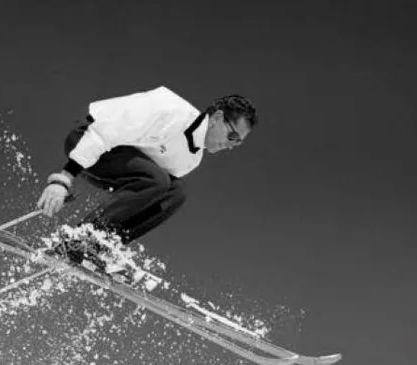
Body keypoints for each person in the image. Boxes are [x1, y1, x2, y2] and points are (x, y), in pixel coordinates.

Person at [36, 86, 257, 246]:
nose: (231, 145)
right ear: (217, 117)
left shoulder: (191, 159)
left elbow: (143, 191)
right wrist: (64, 179)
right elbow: (109, 129)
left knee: (176, 192)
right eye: (233, 136)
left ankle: (105, 243)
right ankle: (81, 238)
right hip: (87, 136)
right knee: (157, 180)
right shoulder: (172, 110)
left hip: (115, 161)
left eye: (238, 142)